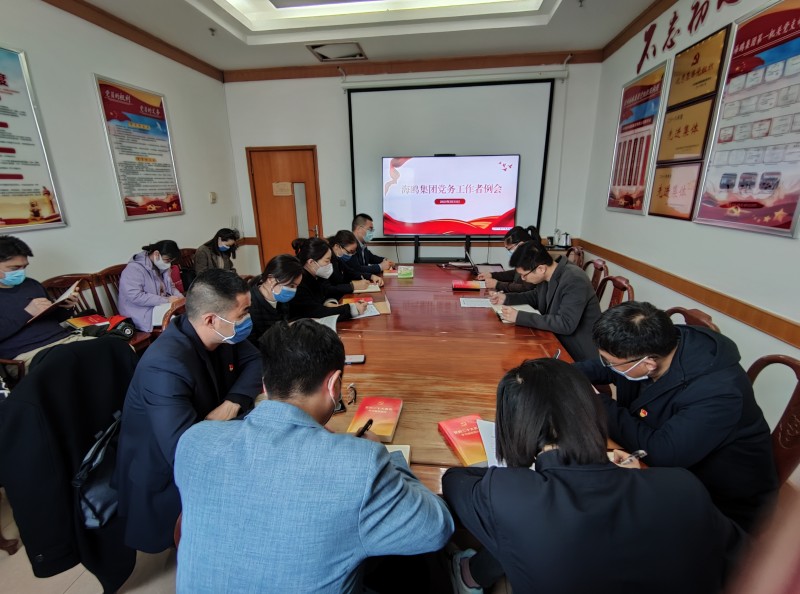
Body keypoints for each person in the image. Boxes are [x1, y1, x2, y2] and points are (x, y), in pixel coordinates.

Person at [174, 319, 454, 593]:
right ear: (334, 385)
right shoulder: (361, 464)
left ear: (264, 385)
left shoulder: (195, 441)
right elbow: (436, 528)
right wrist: (390, 457)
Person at [442, 358, 745, 594]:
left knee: (515, 533)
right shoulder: (682, 486)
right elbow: (744, 560)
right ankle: (471, 573)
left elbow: (453, 480)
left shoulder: (507, 493)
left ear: (516, 427)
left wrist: (529, 470)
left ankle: (468, 575)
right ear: (590, 410)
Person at [573, 301, 779, 533]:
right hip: (669, 468)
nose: (606, 365)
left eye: (610, 361)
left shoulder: (719, 392)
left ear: (648, 363)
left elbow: (662, 453)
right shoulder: (660, 343)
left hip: (717, 504)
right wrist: (562, 373)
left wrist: (596, 400)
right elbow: (605, 367)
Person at [114, 269, 262, 553]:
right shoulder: (164, 365)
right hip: (166, 471)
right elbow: (185, 451)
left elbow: (256, 361)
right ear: (211, 319)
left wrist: (231, 403)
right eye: (243, 313)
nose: (248, 320)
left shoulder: (218, 333)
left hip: (206, 431)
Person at [489, 241, 600, 361]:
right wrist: (506, 298)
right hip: (554, 338)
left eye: (524, 275)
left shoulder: (574, 279)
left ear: (541, 269)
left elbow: (565, 324)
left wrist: (519, 317)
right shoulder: (550, 273)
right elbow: (536, 296)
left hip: (576, 352)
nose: (523, 279)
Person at [0, 235, 89, 373]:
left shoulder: (32, 284)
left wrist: (66, 307)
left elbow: (55, 319)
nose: (21, 272)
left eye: (24, 267)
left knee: (114, 346)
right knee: (75, 366)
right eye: (14, 268)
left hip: (65, 340)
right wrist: (26, 313)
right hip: (27, 354)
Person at [288, 237, 367, 321]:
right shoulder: (298, 283)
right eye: (327, 261)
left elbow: (325, 293)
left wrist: (329, 302)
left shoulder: (317, 275)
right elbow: (317, 312)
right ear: (311, 262)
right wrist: (352, 309)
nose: (330, 265)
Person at [118, 239, 183, 332]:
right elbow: (135, 296)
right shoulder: (134, 269)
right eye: (167, 260)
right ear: (156, 254)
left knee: (185, 312)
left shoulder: (161, 267)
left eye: (170, 261)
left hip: (157, 306)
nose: (168, 264)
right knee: (176, 321)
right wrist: (166, 300)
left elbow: (171, 287)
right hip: (140, 312)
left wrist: (181, 299)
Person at [247, 254, 303, 345]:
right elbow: (254, 345)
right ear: (271, 279)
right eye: (291, 285)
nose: (294, 290)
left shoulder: (281, 298)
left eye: (297, 286)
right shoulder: (250, 306)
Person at [477, 225, 540, 292]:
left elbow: (525, 288)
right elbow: (515, 274)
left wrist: (498, 285)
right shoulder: (524, 258)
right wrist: (491, 275)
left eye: (509, 249)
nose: (509, 252)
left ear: (521, 245)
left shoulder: (535, 260)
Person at [325, 230, 383, 299]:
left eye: (353, 252)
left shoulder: (338, 259)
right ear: (337, 247)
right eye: (350, 251)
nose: (351, 255)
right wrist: (353, 286)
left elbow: (351, 273)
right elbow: (328, 289)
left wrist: (371, 276)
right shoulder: (327, 262)